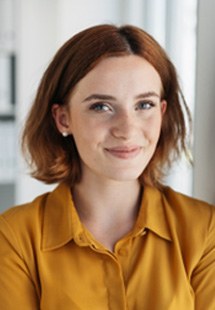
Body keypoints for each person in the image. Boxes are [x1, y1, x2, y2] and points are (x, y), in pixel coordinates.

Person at [0, 24, 214, 310]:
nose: (127, 129)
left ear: (162, 113)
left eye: (144, 105)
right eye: (101, 106)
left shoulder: (205, 230)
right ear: (63, 119)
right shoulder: (14, 236)